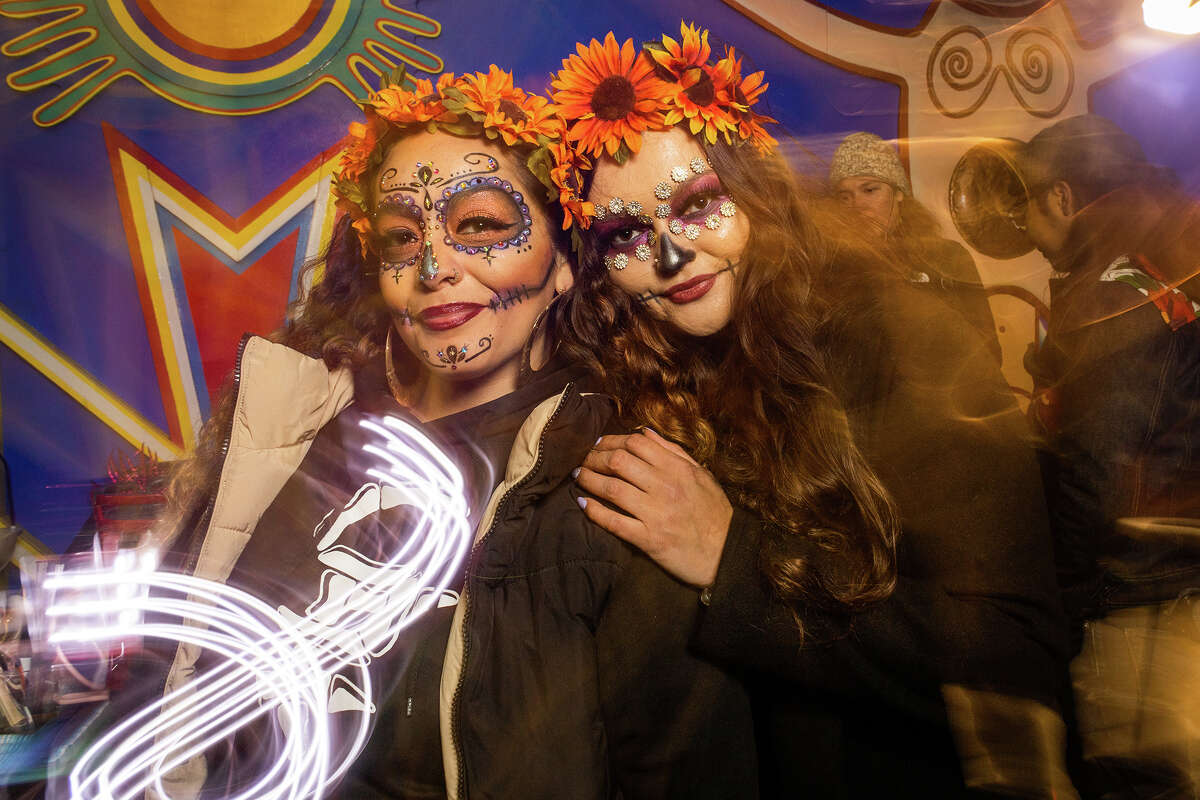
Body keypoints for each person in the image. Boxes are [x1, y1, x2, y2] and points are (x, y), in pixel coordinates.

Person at [155, 67, 757, 799]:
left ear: (564, 263)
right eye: (403, 238)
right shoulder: (292, 421)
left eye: (480, 225)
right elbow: (171, 673)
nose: (436, 267)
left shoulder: (616, 478)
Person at [551, 24, 1072, 798]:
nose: (668, 256)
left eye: (698, 206)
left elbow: (1011, 651)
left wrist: (732, 561)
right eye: (626, 233)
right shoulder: (652, 374)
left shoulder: (898, 341)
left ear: (755, 194)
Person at [1017, 114, 1200, 796]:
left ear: (1063, 198)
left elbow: (1098, 474)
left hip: (1132, 605)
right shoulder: (1156, 271)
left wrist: (1060, 602)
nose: (1028, 234)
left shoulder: (1105, 295)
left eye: (1028, 206)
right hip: (1175, 585)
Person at [830, 131, 1000, 359]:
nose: (857, 206)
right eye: (845, 197)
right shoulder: (834, 271)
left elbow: (989, 353)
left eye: (870, 190)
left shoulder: (946, 259)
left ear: (899, 193)